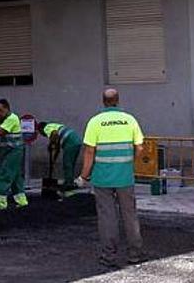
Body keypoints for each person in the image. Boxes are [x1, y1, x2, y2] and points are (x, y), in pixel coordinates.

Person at [76, 89, 145, 267]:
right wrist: (130, 164)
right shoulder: (129, 119)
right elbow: (140, 148)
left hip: (102, 178)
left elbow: (90, 151)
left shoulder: (95, 122)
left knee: (107, 217)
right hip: (125, 177)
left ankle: (109, 256)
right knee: (130, 215)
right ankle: (135, 254)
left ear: (103, 102)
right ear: (118, 101)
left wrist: (84, 176)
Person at [0, 98, 28, 210]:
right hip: (13, 151)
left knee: (5, 174)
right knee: (16, 177)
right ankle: (22, 201)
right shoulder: (8, 119)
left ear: (7, 109)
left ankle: (1, 204)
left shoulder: (11, 118)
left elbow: (1, 132)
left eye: (0, 110)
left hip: (13, 152)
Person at [38, 121, 82, 193]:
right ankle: (69, 181)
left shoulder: (46, 128)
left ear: (41, 129)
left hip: (70, 141)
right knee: (71, 163)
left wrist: (51, 145)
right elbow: (57, 146)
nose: (42, 135)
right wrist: (53, 158)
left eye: (40, 133)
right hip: (76, 140)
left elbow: (55, 136)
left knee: (67, 163)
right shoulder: (53, 126)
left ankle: (69, 184)